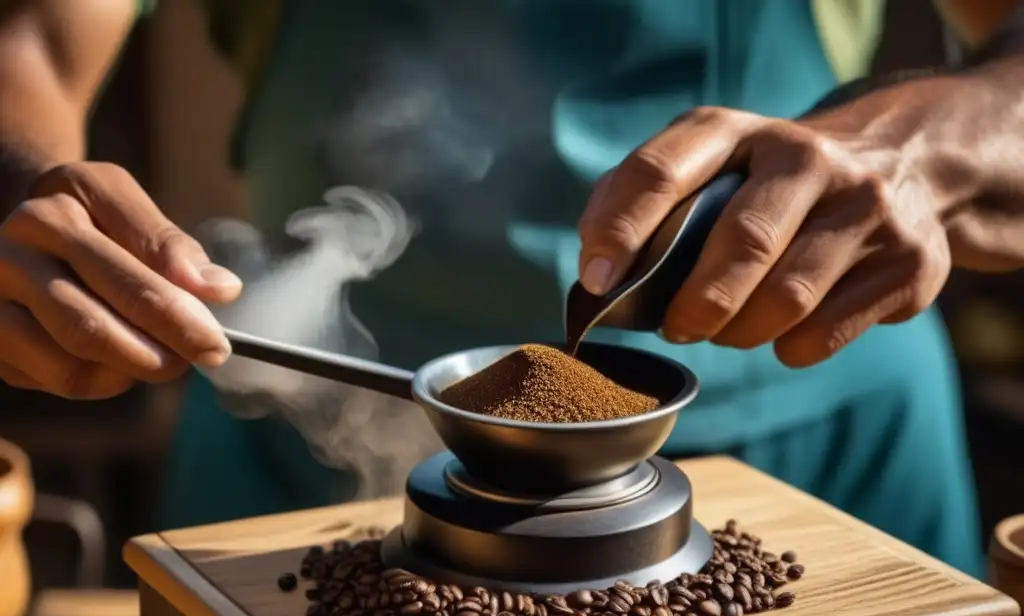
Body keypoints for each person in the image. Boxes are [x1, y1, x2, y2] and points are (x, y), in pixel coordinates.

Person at [0, 0, 1022, 580]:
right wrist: (22, 189)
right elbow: (36, 37)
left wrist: (927, 142)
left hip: (825, 445)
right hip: (305, 449)